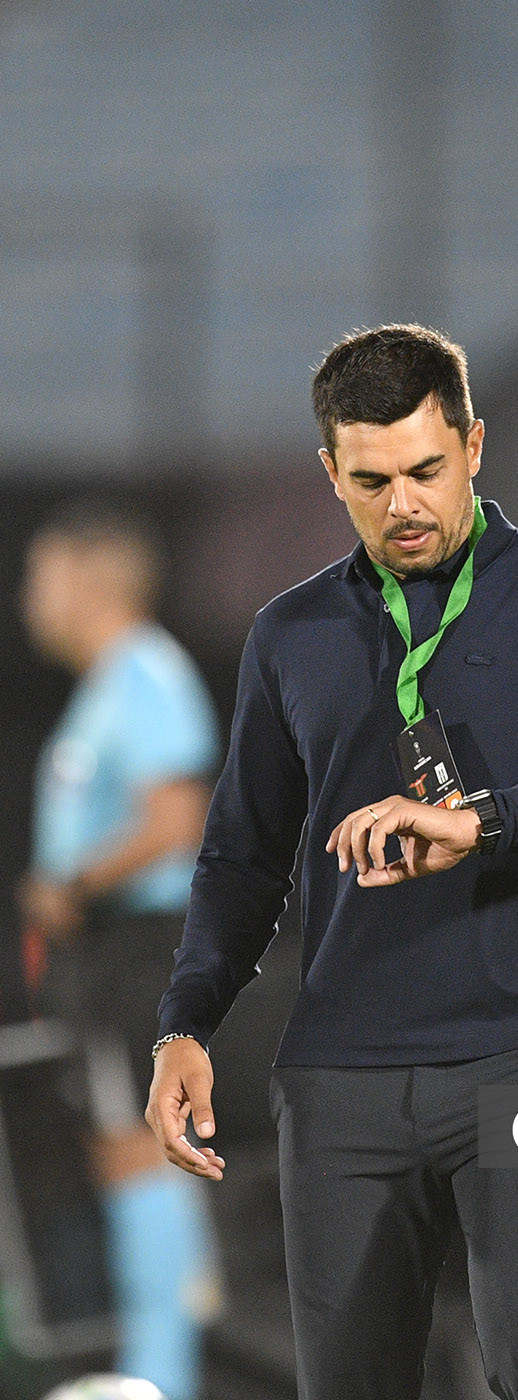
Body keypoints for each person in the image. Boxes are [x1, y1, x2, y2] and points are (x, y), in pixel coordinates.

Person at [146, 323, 518, 1400]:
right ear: (331, 473)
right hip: (344, 1073)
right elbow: (242, 851)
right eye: (370, 480)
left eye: (424, 470)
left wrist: (487, 818)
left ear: (474, 445)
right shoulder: (291, 631)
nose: (402, 503)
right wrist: (186, 1022)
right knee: (350, 1383)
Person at [19, 501, 221, 1400]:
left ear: (86, 580)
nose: (28, 596)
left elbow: (176, 821)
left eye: (39, 574)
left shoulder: (144, 674)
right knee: (122, 1147)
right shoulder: (109, 684)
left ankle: (165, 1373)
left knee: (146, 1147)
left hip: (143, 948)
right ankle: (157, 1362)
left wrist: (70, 885)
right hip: (114, 956)